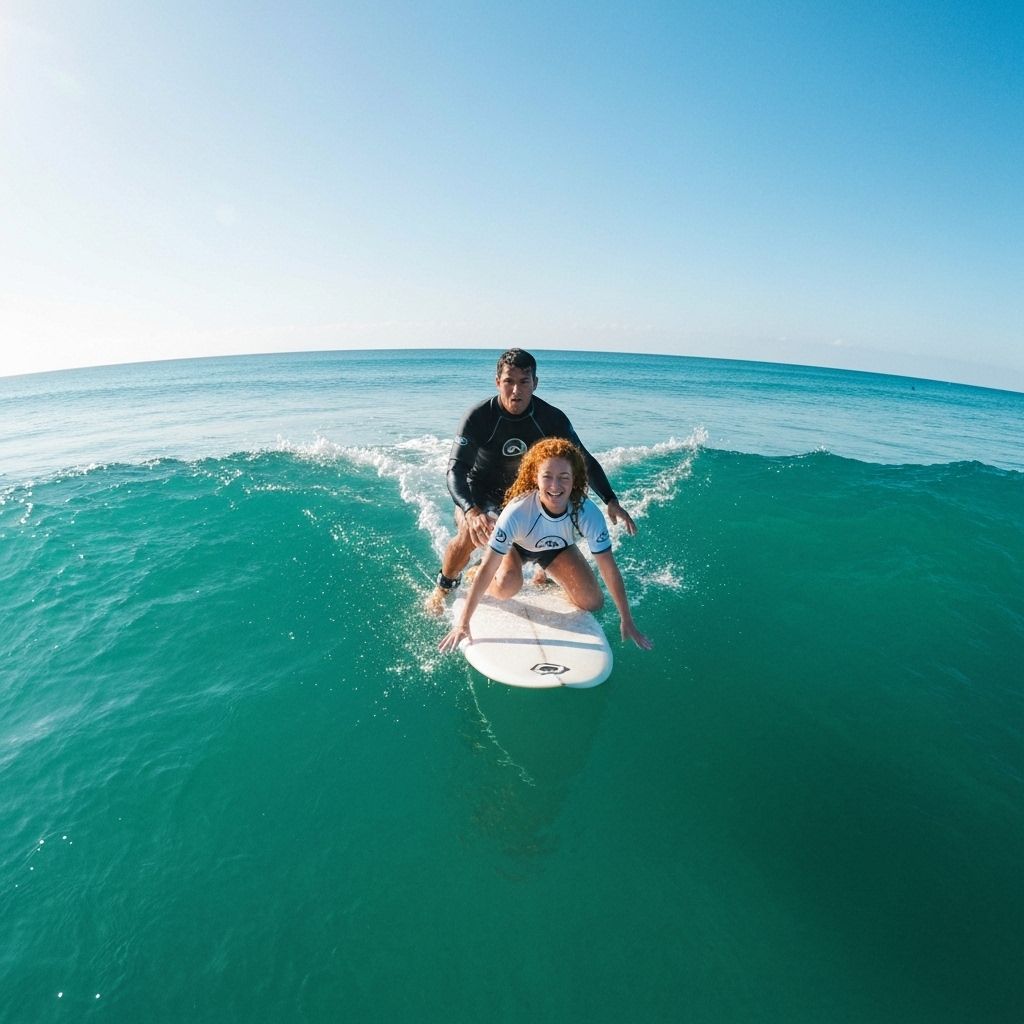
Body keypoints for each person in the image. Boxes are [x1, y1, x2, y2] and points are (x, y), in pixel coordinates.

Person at [427, 348, 637, 610]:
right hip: (481, 497)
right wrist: (471, 510)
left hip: (527, 500)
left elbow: (582, 459)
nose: (516, 390)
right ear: (497, 382)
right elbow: (455, 471)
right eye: (509, 382)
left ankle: (535, 567)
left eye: (524, 382)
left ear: (534, 384)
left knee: (591, 599)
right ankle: (444, 586)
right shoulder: (479, 417)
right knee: (475, 535)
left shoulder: (551, 419)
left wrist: (610, 499)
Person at [438, 437, 652, 653]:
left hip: (556, 548)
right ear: (535, 477)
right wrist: (463, 623)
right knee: (507, 585)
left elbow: (609, 568)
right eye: (547, 477)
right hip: (515, 546)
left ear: (575, 478)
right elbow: (489, 567)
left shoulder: (588, 513)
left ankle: (546, 572)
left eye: (564, 477)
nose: (555, 486)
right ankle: (476, 575)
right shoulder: (517, 511)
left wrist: (627, 618)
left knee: (593, 602)